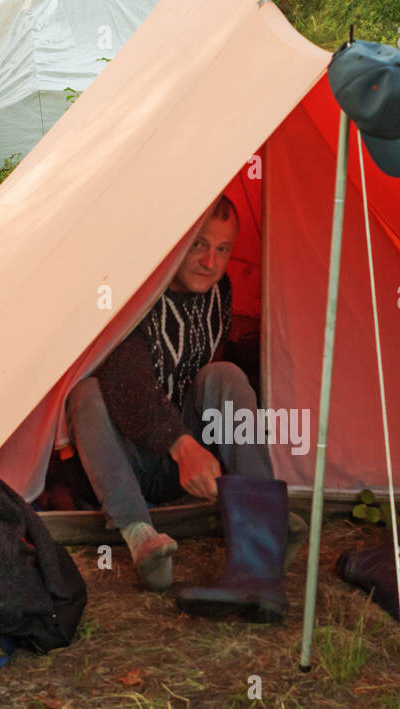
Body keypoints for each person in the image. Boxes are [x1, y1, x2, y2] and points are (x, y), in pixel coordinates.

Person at [64, 196, 306, 620]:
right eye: (199, 244)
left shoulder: (219, 294)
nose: (210, 261)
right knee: (87, 393)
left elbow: (213, 380)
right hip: (128, 461)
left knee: (225, 374)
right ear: (175, 242)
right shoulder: (135, 293)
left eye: (223, 249)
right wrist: (182, 446)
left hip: (186, 468)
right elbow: (126, 380)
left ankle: (264, 525)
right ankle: (142, 539)